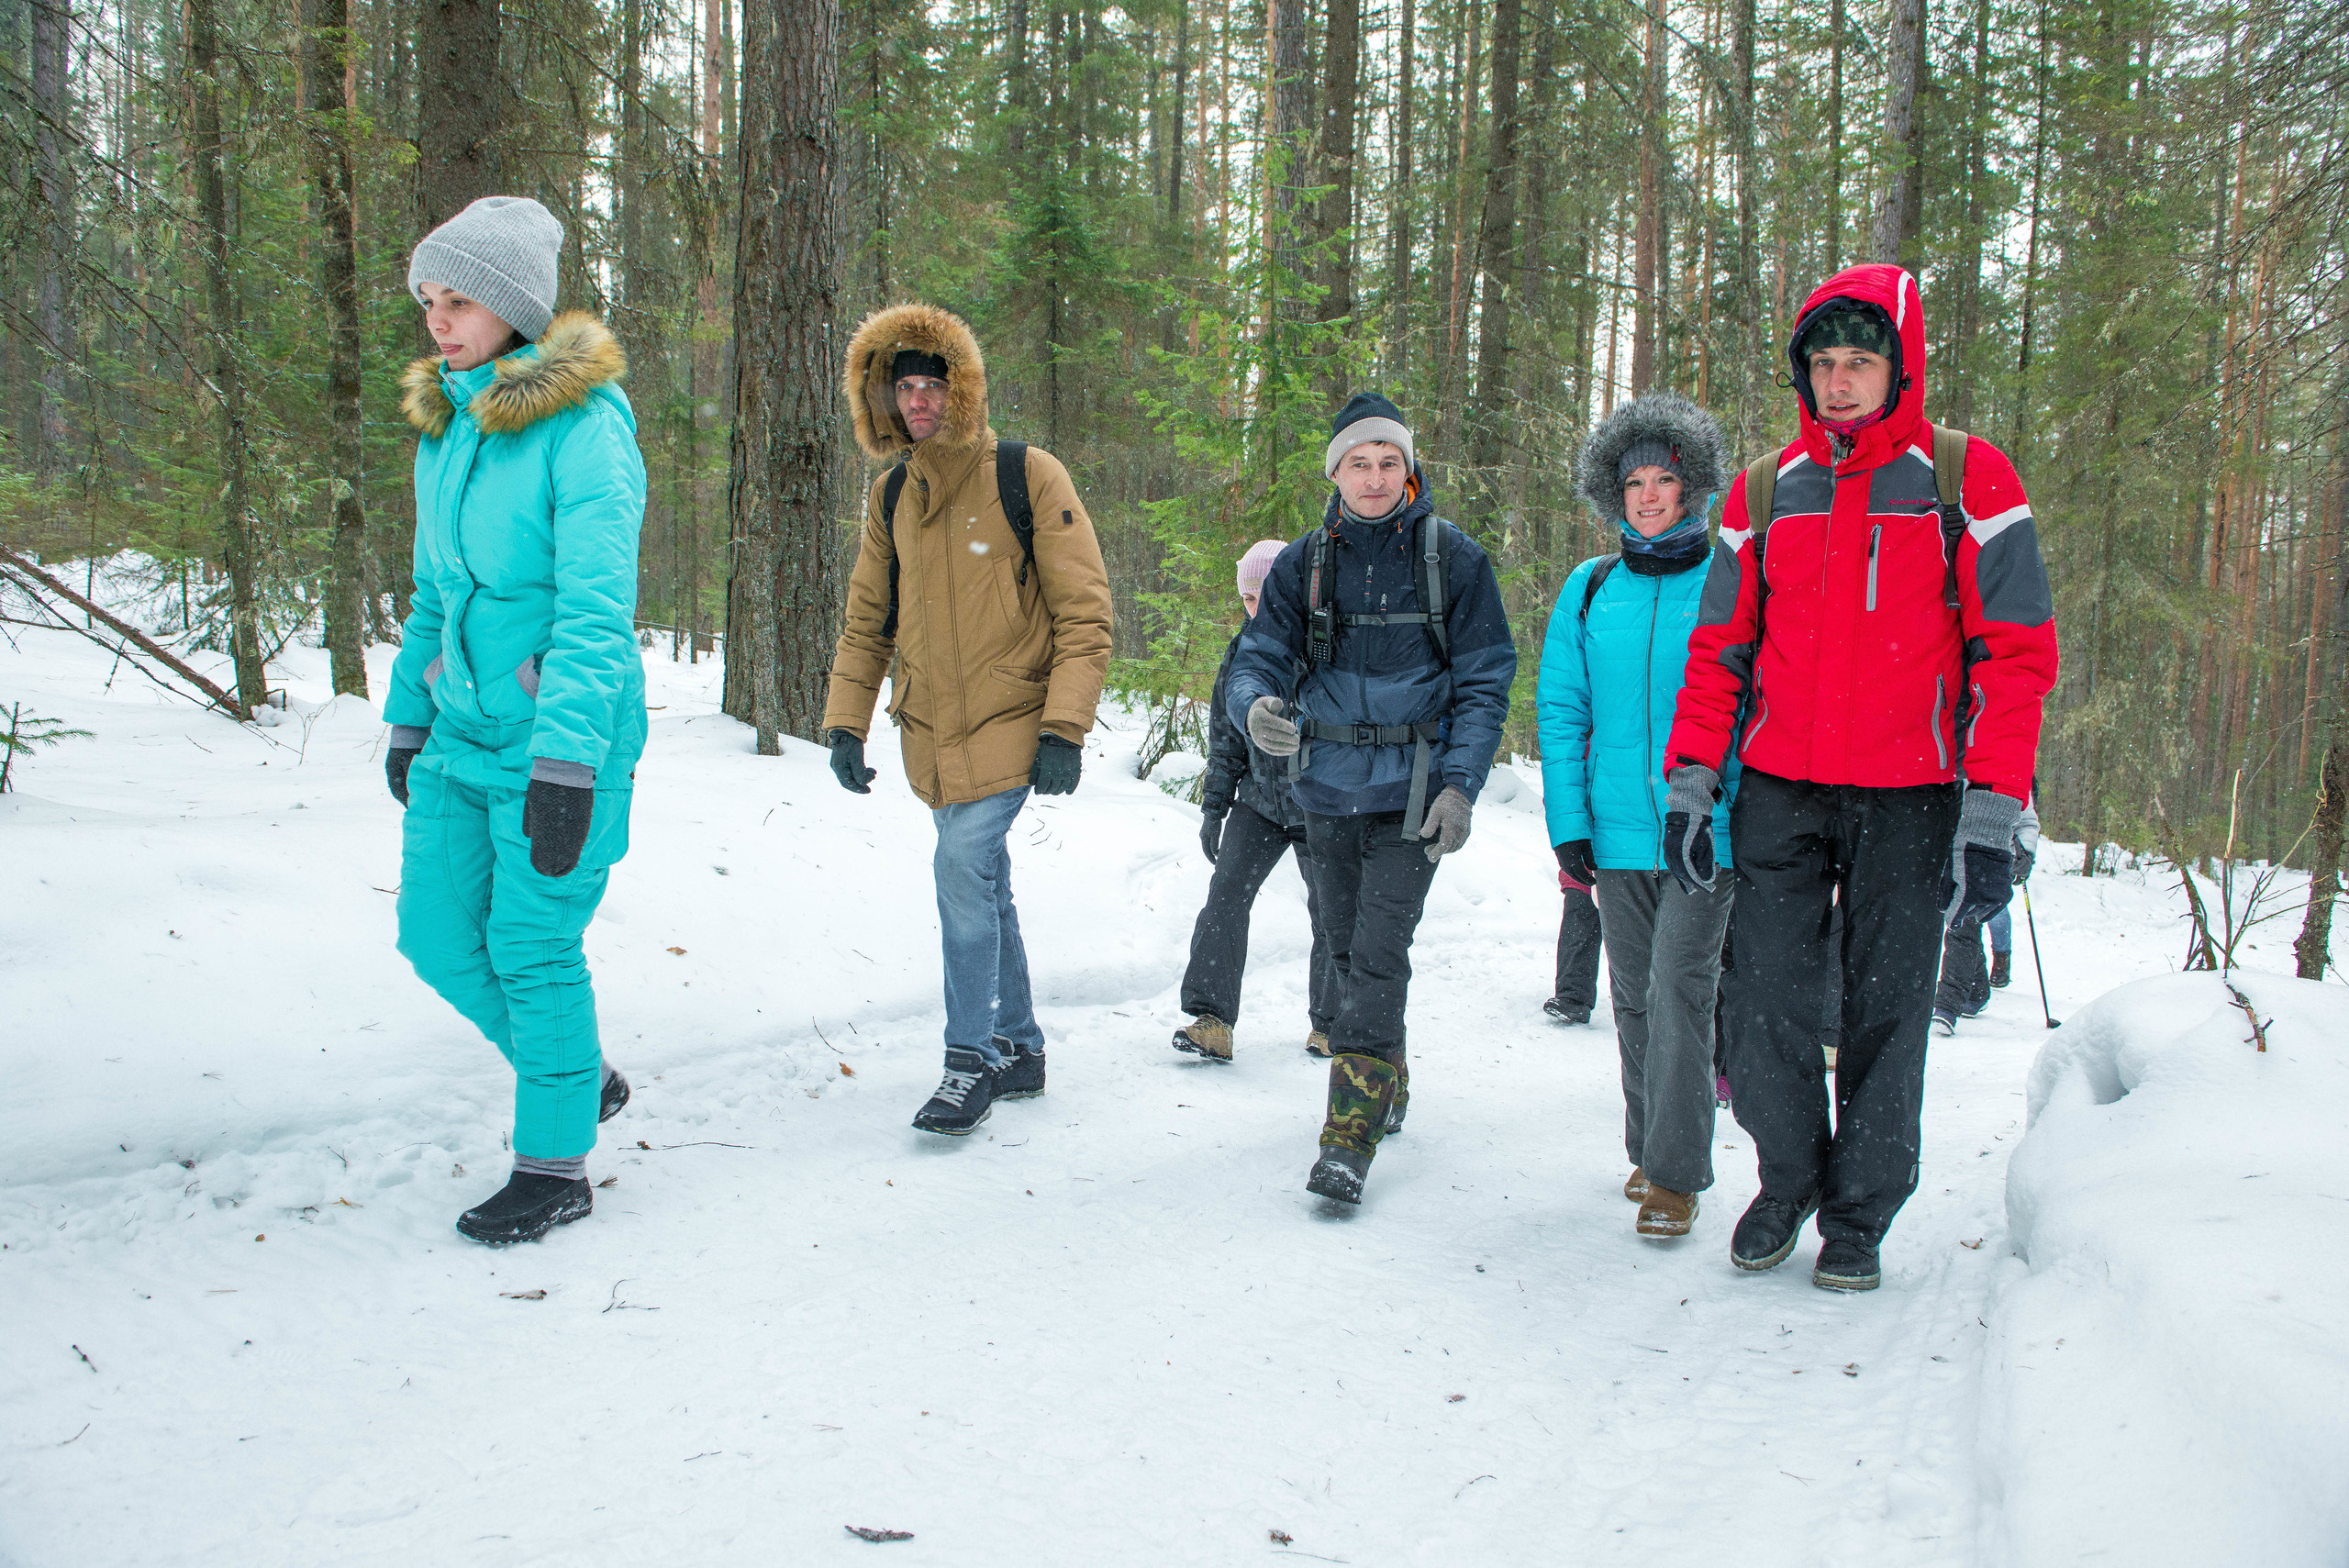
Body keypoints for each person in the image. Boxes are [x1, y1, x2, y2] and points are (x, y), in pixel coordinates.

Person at [1661, 263, 2060, 1291]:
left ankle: (1859, 1213)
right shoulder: (1763, 490)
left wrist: (1990, 809)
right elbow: (1719, 651)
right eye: (1823, 364)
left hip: (1911, 791)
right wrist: (1692, 778)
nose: (1839, 382)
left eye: (1861, 362)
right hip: (1784, 785)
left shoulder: (1967, 480)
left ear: (1901, 367)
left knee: (1886, 1005)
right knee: (1762, 999)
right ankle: (1787, 1180)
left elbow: (2012, 654)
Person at [384, 196, 646, 1245]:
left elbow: (595, 611)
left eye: (460, 301)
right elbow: (429, 594)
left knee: (532, 947)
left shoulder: (584, 431)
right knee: (436, 938)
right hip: (461, 732)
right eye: (429, 302)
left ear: (513, 308)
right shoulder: (446, 428)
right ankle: (577, 1074)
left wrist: (568, 762)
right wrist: (409, 718)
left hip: (557, 739)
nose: (440, 322)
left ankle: (554, 1164)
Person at [822, 303, 1114, 1137]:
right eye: (903, 387)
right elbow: (867, 619)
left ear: (964, 391)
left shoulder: (1028, 475)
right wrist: (848, 722)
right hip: (933, 729)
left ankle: (969, 1058)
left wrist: (1065, 728)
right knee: (983, 879)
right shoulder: (891, 497)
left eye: (932, 385)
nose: (919, 401)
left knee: (961, 866)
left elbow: (1086, 613)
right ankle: (1018, 1045)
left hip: (1016, 715)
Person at [1224, 393, 1516, 1205]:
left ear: (1410, 469)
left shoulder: (1452, 557)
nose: (1376, 476)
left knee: (1380, 949)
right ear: (1337, 472)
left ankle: (1346, 1136)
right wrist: (1256, 707)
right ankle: (1385, 1068)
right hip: (1324, 787)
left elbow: (1487, 678)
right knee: (1346, 947)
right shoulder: (1305, 562)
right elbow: (1260, 655)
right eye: (1360, 462)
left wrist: (1460, 783)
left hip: (1414, 792)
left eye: (1390, 461)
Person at [1537, 392, 1738, 1240]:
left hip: (1707, 828)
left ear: (1691, 487)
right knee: (1632, 995)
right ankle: (1648, 1144)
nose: (1650, 496)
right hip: (1616, 830)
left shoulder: (1731, 575)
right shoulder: (1590, 591)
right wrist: (1567, 823)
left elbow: (1751, 696)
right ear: (1611, 494)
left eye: (1665, 480)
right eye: (1634, 484)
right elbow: (1561, 710)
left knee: (1681, 987)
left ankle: (1678, 1175)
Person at [1173, 540, 1339, 1062]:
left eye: (1263, 597)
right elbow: (1224, 733)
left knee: (1333, 913)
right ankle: (1212, 1020)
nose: (1255, 609)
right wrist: (1214, 807)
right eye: (1247, 598)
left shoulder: (1328, 643)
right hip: (1261, 802)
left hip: (1323, 802)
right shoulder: (1242, 649)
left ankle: (1332, 1025)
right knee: (1225, 899)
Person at [1933, 797, 2041, 1031]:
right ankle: (1976, 991)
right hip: (1947, 856)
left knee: (1963, 925)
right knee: (1962, 925)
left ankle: (1946, 1007)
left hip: (1988, 859)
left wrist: (2026, 852)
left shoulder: (2010, 772)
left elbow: (2028, 822)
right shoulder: (1950, 769)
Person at [1544, 869, 1602, 1026]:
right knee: (1578, 920)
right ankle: (1573, 997)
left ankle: (1648, 999)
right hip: (1584, 866)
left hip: (1637, 866)